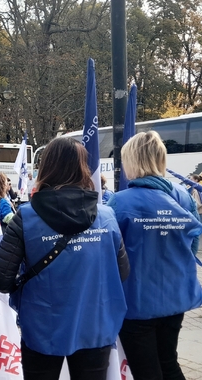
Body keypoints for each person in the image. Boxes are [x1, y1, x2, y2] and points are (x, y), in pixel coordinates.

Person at [0, 137, 129, 380]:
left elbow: (1, 279)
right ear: (83, 167)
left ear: (47, 167)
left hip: (42, 326)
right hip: (95, 325)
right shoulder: (106, 216)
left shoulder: (25, 217)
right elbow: (123, 273)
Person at [107, 131, 202, 380]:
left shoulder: (119, 202)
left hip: (137, 301)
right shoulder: (183, 196)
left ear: (132, 161)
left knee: (146, 370)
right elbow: (192, 245)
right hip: (176, 296)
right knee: (169, 362)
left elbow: (111, 255)